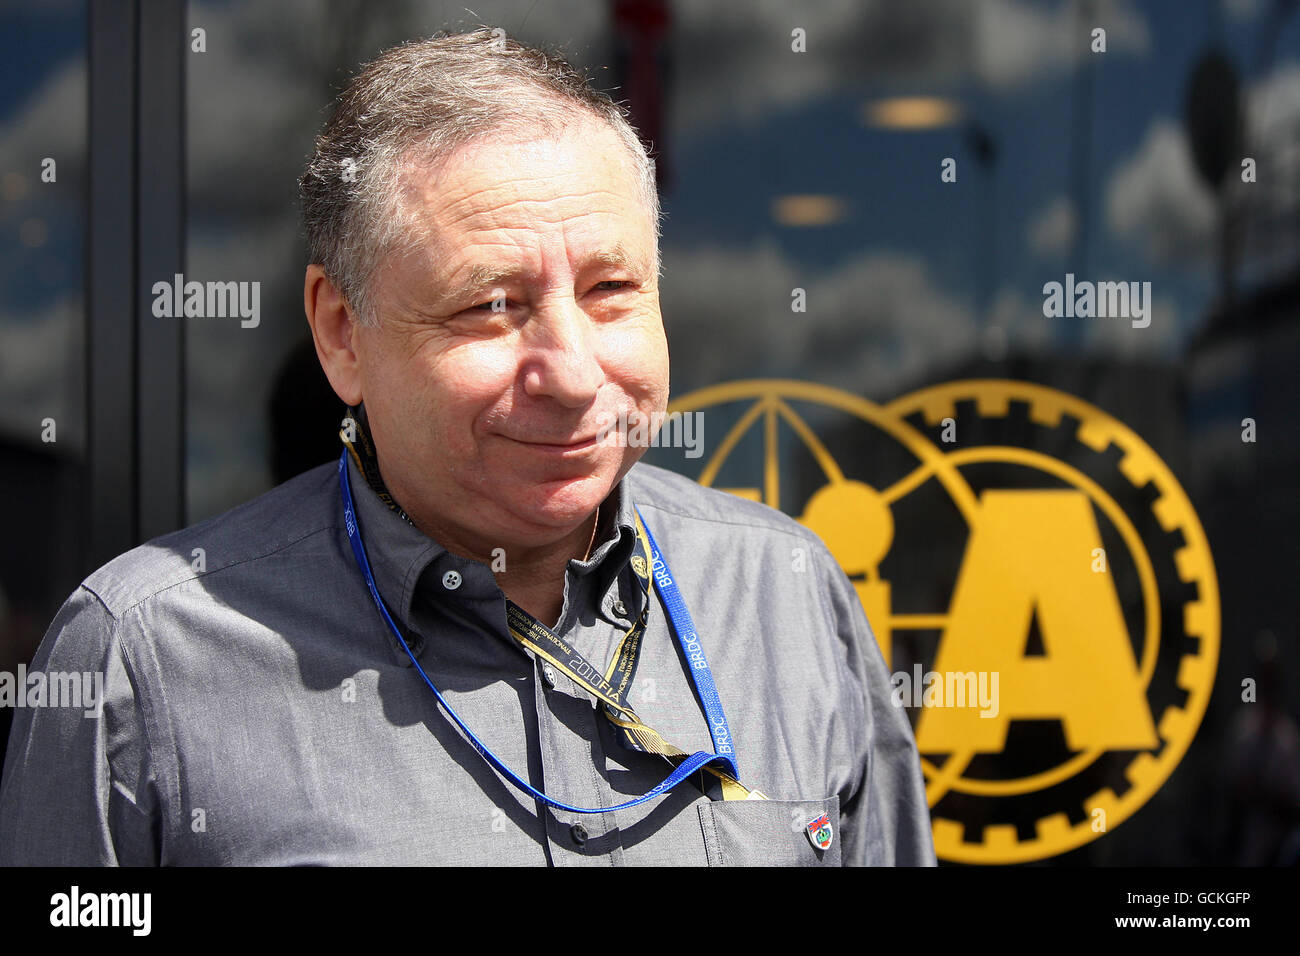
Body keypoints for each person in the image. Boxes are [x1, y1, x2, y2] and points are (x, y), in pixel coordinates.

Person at [0, 29, 935, 866]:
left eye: (611, 289)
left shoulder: (786, 591)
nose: (571, 373)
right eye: (490, 304)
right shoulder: (144, 662)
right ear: (341, 333)